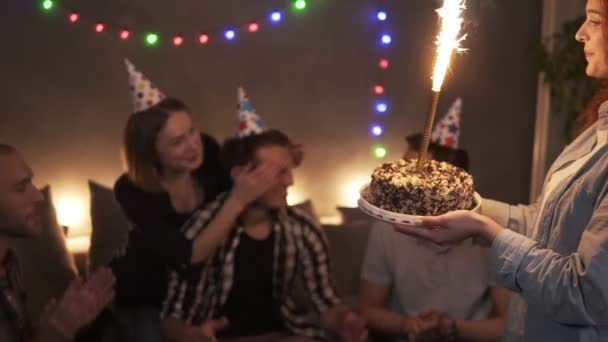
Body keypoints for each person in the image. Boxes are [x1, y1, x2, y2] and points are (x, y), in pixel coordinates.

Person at [394, 1, 608, 340]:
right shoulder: (597, 132)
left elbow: (584, 292)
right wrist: (466, 207)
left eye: (594, 21)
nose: (580, 34)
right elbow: (543, 227)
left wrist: (487, 231)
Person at [159, 88, 368, 342]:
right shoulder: (203, 229)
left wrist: (345, 321)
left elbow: (327, 302)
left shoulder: (301, 227)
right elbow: (171, 321)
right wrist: (194, 336)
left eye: (289, 170)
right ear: (240, 175)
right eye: (278, 173)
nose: (290, 181)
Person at [111, 62, 280, 341]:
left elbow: (249, 182)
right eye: (178, 142)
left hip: (199, 295)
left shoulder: (209, 153)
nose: (193, 144)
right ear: (151, 153)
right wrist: (238, 199)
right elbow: (186, 258)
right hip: (146, 297)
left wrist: (282, 157)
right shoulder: (130, 189)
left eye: (192, 131)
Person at [360, 99, 509, 341]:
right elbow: (369, 309)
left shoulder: (492, 236)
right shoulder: (386, 230)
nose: (400, 184)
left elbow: (509, 326)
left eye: (412, 181)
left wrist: (449, 327)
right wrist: (409, 325)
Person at [0, 143, 115, 341]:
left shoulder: (9, 263)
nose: (38, 195)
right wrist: (57, 332)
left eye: (31, 183)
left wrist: (57, 323)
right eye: (21, 188)